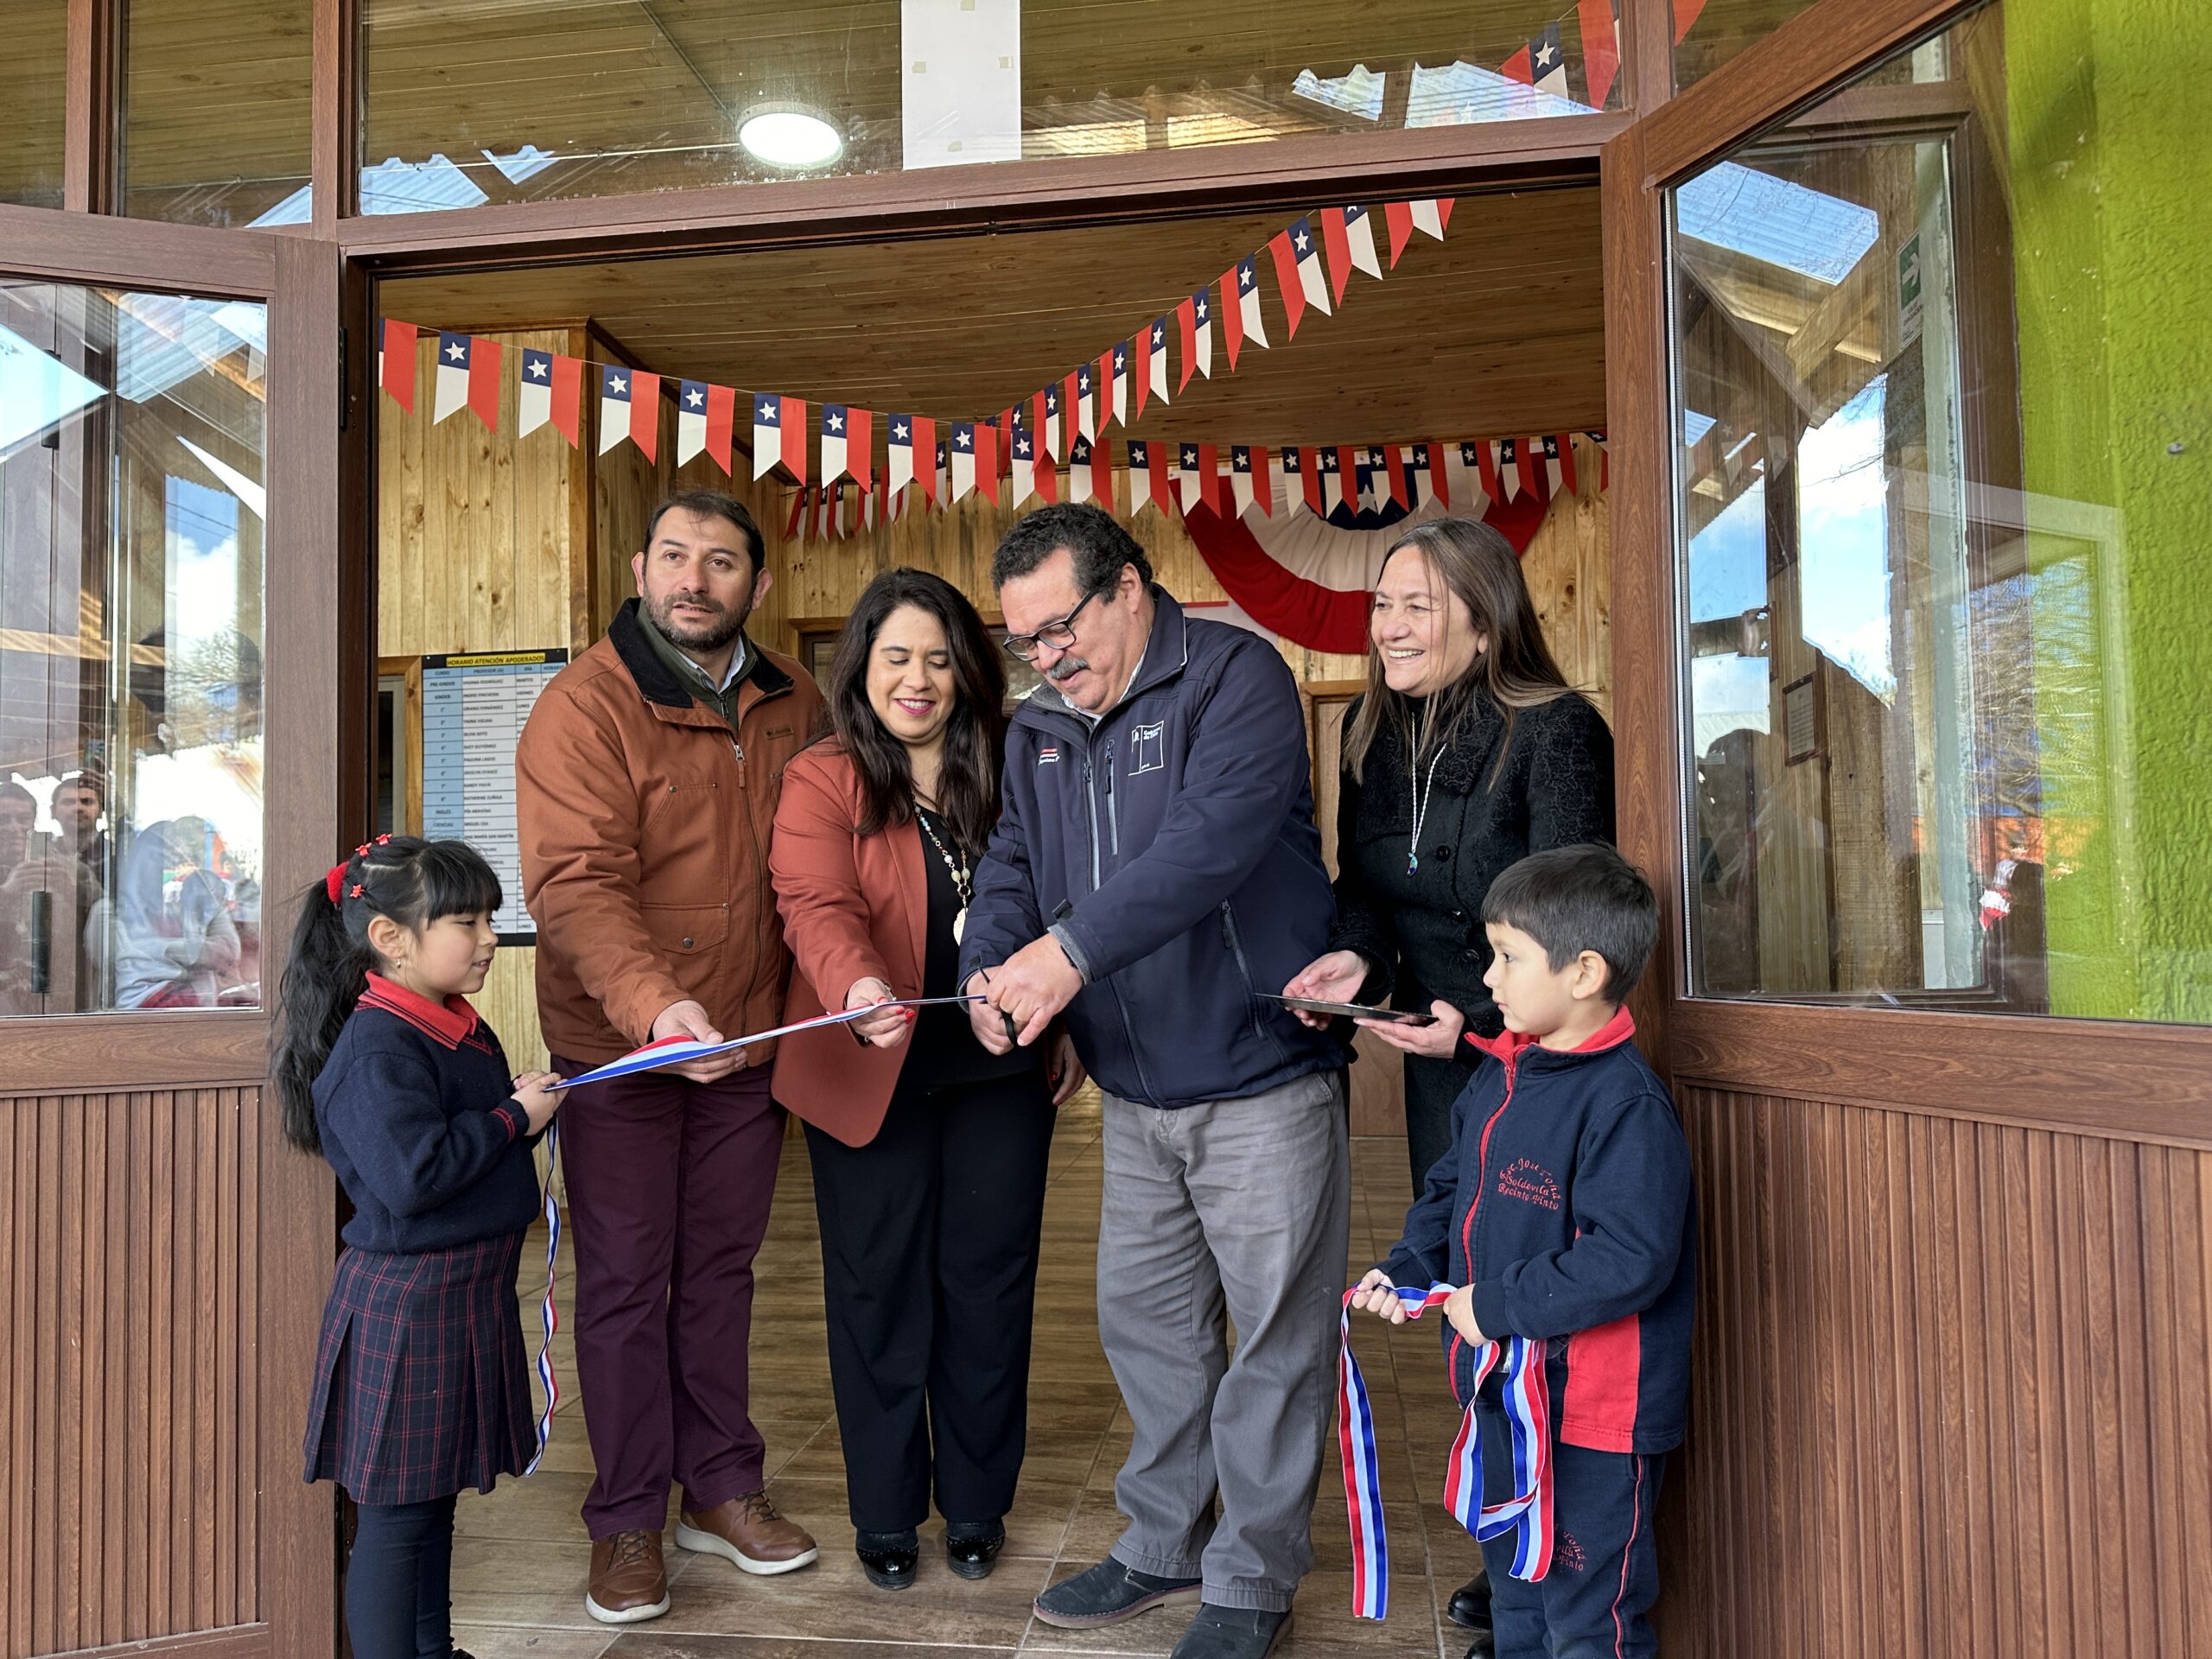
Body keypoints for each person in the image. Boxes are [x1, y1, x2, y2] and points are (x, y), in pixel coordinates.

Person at [957, 502, 1347, 1659]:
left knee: (1274, 1343)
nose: (1046, 656)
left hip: (1259, 1075)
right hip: (1133, 1095)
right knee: (1150, 1330)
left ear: (1129, 586)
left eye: (1061, 627)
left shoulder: (1235, 677)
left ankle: (1253, 1576)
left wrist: (1064, 957)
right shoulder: (1037, 728)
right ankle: (1167, 1539)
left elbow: (1207, 845)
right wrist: (990, 970)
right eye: (1024, 640)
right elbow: (1011, 865)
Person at [1285, 520, 1614, 1637]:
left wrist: (1471, 1018)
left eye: (1417, 604)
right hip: (1442, 1070)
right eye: (1383, 604)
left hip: (1542, 1067)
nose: (1390, 626)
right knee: (1468, 1305)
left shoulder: (1557, 730)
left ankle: (1561, 1563)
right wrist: (1357, 963)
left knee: (1539, 1308)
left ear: (1485, 620)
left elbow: (1571, 913)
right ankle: (1509, 1543)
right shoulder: (1373, 731)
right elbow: (1363, 890)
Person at [516, 488, 823, 1624]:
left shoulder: (796, 697)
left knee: (722, 1275)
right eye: (677, 556)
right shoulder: (583, 705)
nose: (696, 579)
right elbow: (575, 887)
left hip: (749, 1044)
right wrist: (656, 1014)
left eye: (723, 561)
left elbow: (822, 859)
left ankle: (721, 1488)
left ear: (758, 583)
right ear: (642, 568)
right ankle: (627, 1515)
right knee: (625, 1284)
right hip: (621, 1050)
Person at [770, 568, 1085, 1592]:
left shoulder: (1013, 760)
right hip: (867, 1064)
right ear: (860, 668)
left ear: (968, 672)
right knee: (878, 1293)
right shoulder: (823, 776)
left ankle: (979, 1504)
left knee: (988, 1287)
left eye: (939, 660)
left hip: (998, 1065)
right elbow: (815, 904)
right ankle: (886, 1509)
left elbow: (1062, 898)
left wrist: (1068, 1018)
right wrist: (855, 984)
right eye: (896, 657)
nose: (917, 680)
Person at [1350, 843, 1694, 1659]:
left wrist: (1495, 1306)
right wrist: (1408, 1267)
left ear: (1584, 973)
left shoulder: (1627, 1105)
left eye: (1508, 958)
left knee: (1587, 1620)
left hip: (1592, 1422)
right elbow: (1449, 1188)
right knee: (1516, 1600)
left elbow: (1631, 1258)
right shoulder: (1502, 1074)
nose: (1489, 979)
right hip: (1502, 1397)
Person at [275, 835, 563, 1659]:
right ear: (391, 939)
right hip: (411, 1308)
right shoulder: (379, 1045)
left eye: (490, 920)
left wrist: (516, 1109)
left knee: (432, 1503)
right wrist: (513, 1117)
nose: (489, 939)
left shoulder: (455, 1026)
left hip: (464, 1293)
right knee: (397, 1521)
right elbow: (414, 1174)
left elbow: (461, 1134)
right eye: (466, 923)